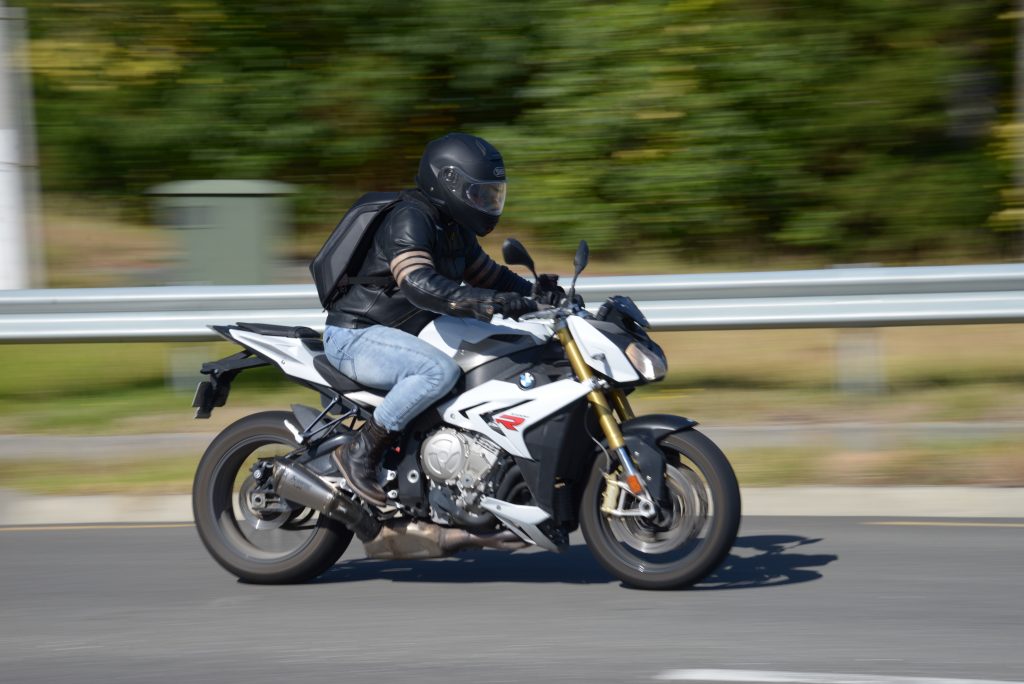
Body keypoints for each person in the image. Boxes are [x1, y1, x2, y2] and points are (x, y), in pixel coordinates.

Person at [323, 132, 562, 505]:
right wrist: (487, 302)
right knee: (438, 373)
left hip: (409, 331)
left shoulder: (453, 227)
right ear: (447, 182)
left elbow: (489, 275)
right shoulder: (410, 218)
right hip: (359, 334)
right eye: (478, 194)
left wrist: (535, 294)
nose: (486, 202)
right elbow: (419, 284)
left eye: (491, 194)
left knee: (505, 352)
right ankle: (360, 452)